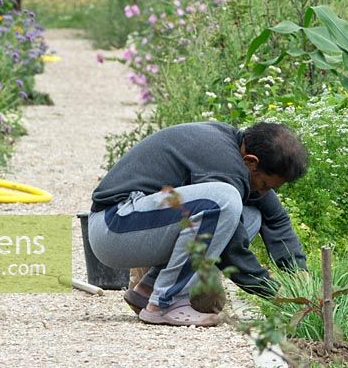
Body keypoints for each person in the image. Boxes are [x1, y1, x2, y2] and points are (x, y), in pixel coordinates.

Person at [88, 121, 308, 327]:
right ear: (251, 162)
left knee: (251, 216)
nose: (263, 191)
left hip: (134, 225)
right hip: (114, 227)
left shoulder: (236, 152)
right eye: (264, 184)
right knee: (225, 201)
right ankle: (164, 303)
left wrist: (298, 274)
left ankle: (149, 288)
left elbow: (275, 217)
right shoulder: (224, 164)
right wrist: (273, 291)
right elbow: (231, 248)